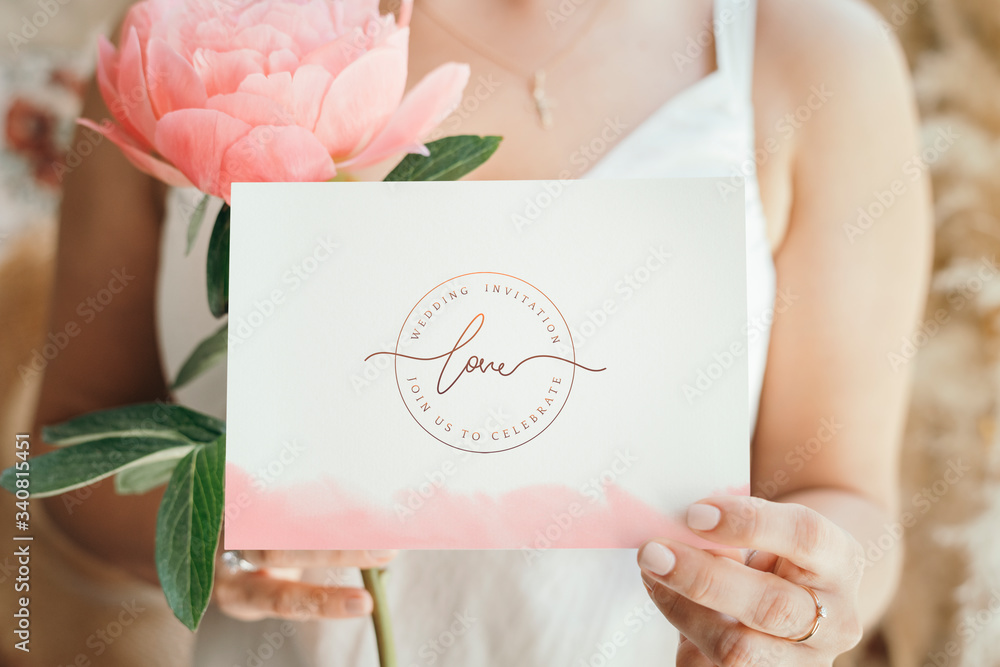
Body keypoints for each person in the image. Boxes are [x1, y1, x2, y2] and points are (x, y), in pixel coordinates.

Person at [32, 0, 931, 664]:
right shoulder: (192, 40)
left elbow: (843, 494)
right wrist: (209, 528)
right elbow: (63, 455)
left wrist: (807, 601)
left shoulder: (812, 56)